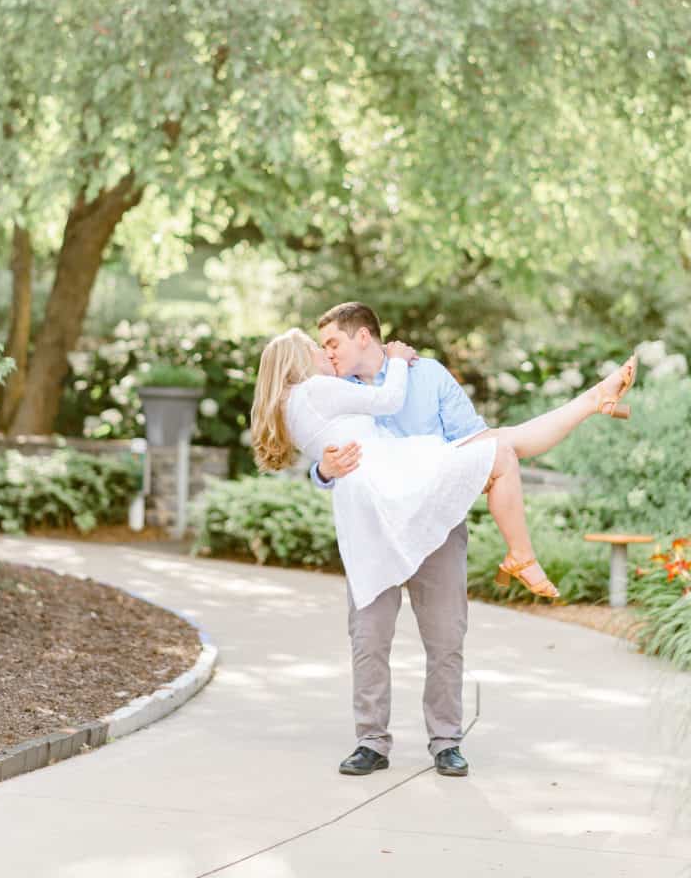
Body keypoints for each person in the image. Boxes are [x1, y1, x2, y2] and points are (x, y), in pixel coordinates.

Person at [250, 303, 636, 779]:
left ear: (363, 337)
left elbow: (470, 441)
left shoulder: (425, 374)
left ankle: (446, 741)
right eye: (321, 347)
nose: (328, 354)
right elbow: (322, 451)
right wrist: (323, 470)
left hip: (434, 524)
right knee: (368, 639)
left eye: (333, 343)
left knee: (446, 638)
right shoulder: (334, 386)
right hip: (374, 530)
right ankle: (371, 741)